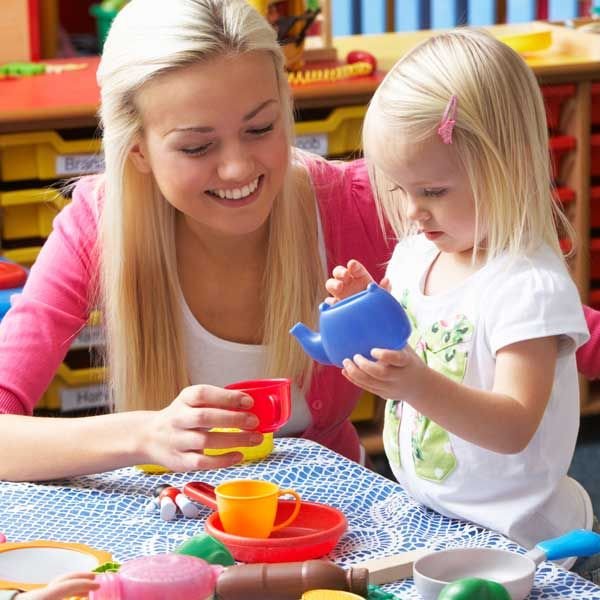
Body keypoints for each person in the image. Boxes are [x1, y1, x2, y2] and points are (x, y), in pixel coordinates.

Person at [0, 0, 391, 481]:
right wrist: (143, 436)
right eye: (196, 146)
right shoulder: (97, 225)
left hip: (334, 518)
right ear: (138, 149)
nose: (238, 168)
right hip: (176, 524)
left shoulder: (355, 203)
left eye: (261, 128)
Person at [325, 28, 596, 564]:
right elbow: (416, 335)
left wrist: (416, 384)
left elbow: (514, 425)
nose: (411, 212)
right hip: (431, 510)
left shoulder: (528, 288)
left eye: (433, 191)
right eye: (399, 189)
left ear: (510, 166)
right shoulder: (418, 252)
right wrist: (364, 310)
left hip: (520, 536)